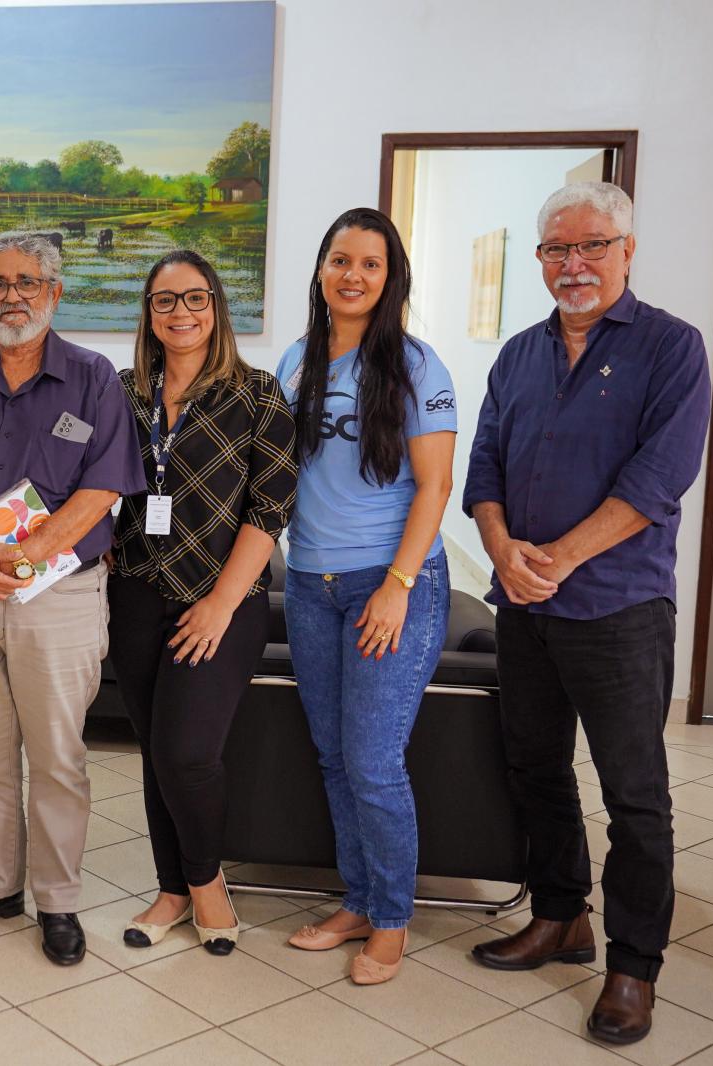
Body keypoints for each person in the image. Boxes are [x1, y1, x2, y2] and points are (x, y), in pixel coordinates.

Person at [464, 182, 710, 1044]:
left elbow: (657, 480)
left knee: (635, 796)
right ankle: (562, 917)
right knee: (535, 767)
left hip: (617, 608)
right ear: (540, 260)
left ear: (628, 249)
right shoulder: (520, 355)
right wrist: (501, 551)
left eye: (592, 246)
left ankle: (634, 970)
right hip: (523, 605)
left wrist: (559, 559)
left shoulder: (673, 349)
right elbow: (485, 465)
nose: (574, 265)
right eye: (557, 251)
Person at [0, 232, 144, 965]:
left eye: (28, 282)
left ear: (55, 291)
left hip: (59, 595)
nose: (12, 295)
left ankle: (59, 900)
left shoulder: (94, 378)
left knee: (55, 756)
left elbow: (104, 487)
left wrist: (30, 554)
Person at [277, 208, 456, 985]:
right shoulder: (295, 360)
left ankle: (391, 921)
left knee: (375, 762)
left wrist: (398, 585)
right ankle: (357, 899)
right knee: (332, 756)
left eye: (371, 264)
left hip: (390, 583)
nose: (353, 275)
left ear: (391, 279)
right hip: (311, 584)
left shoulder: (419, 365)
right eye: (340, 260)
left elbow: (435, 485)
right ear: (321, 271)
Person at [110, 251, 297, 956]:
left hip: (223, 602)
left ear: (216, 306)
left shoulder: (257, 394)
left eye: (195, 298)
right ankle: (170, 891)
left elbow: (271, 504)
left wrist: (221, 604)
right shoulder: (124, 393)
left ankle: (207, 884)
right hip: (134, 595)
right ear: (149, 313)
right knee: (157, 752)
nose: (180, 313)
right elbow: (98, 486)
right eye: (165, 301)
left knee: (189, 753)